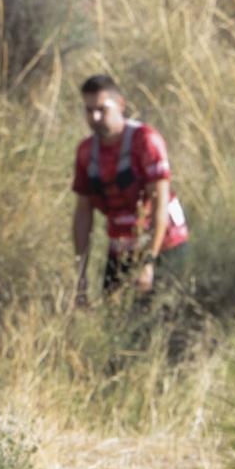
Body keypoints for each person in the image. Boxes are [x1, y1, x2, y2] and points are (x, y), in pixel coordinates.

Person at [72, 74, 190, 302]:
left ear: (120, 105)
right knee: (114, 317)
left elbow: (160, 203)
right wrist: (81, 274)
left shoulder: (145, 141)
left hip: (163, 245)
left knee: (162, 317)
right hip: (122, 246)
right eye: (89, 111)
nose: (95, 117)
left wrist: (149, 263)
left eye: (102, 110)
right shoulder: (86, 152)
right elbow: (83, 213)